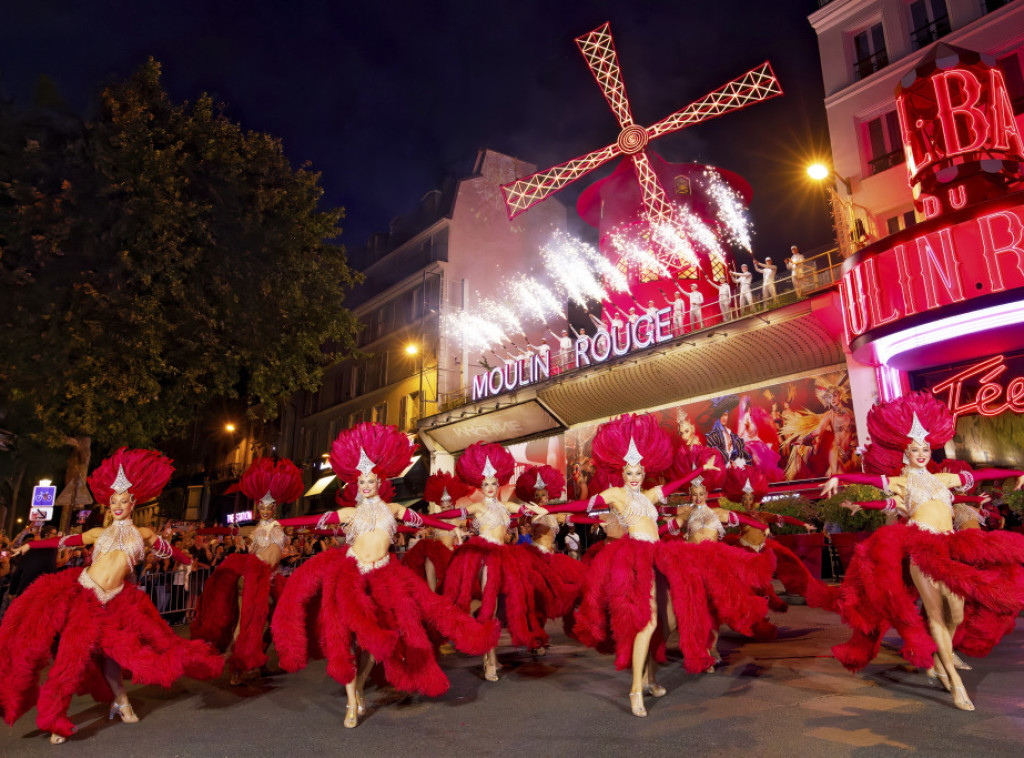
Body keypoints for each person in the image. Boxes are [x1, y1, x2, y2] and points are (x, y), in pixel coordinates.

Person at [271, 423, 498, 728]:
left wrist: (452, 527)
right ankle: (351, 703)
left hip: (383, 576)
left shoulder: (394, 510)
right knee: (346, 642)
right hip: (350, 576)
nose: (366, 485)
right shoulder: (350, 513)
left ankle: (362, 684)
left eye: (370, 480)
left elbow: (425, 519)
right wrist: (283, 524)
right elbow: (312, 519)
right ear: (357, 484)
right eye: (361, 481)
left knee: (373, 646)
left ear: (379, 481)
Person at [0, 448, 222, 744]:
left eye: (122, 501)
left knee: (117, 656)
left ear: (133, 502)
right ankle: (55, 718)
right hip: (83, 596)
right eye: (113, 501)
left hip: (116, 602)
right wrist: (28, 547)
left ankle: (121, 700)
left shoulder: (144, 534)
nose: (117, 505)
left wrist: (187, 560)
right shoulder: (97, 533)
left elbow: (172, 551)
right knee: (70, 659)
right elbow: (62, 540)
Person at [820, 392, 1024, 711]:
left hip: (950, 546)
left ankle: (943, 659)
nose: (922, 453)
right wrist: (838, 478)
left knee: (955, 614)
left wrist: (1015, 473)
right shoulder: (900, 483)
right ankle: (955, 683)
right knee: (935, 615)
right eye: (915, 449)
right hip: (921, 548)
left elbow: (981, 476)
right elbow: (869, 480)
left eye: (926, 448)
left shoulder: (943, 479)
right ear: (906, 453)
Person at [529, 414, 731, 717]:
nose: (634, 476)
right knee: (648, 624)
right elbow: (581, 506)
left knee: (667, 621)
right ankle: (636, 688)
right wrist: (548, 507)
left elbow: (677, 483)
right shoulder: (616, 495)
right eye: (629, 472)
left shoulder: (650, 496)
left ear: (643, 471)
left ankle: (650, 679)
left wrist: (702, 469)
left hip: (661, 557)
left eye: (638, 471)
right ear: (622, 472)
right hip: (636, 559)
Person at [430, 442, 549, 681]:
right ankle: (490, 660)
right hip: (484, 557)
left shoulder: (506, 506)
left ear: (498, 484)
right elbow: (451, 516)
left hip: (505, 556)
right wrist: (434, 523)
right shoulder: (476, 506)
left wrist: (538, 510)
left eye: (494, 483)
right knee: (490, 607)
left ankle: (490, 655)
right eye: (486, 484)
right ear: (480, 486)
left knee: (509, 604)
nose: (490, 487)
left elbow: (527, 509)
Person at [191, 458, 303, 685]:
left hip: (268, 580)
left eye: (267, 506)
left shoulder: (266, 529)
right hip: (253, 580)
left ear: (274, 507)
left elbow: (265, 554)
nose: (264, 509)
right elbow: (261, 555)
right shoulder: (267, 529)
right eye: (261, 506)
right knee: (247, 623)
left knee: (274, 622)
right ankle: (237, 668)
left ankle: (257, 661)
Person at [402, 471, 471, 592]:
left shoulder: (457, 520)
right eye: (443, 507)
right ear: (440, 506)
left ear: (453, 505)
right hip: (435, 554)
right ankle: (432, 594)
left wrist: (474, 527)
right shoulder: (435, 519)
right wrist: (421, 531)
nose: (446, 509)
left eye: (448, 507)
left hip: (450, 553)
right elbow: (426, 528)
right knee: (429, 561)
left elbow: (471, 524)